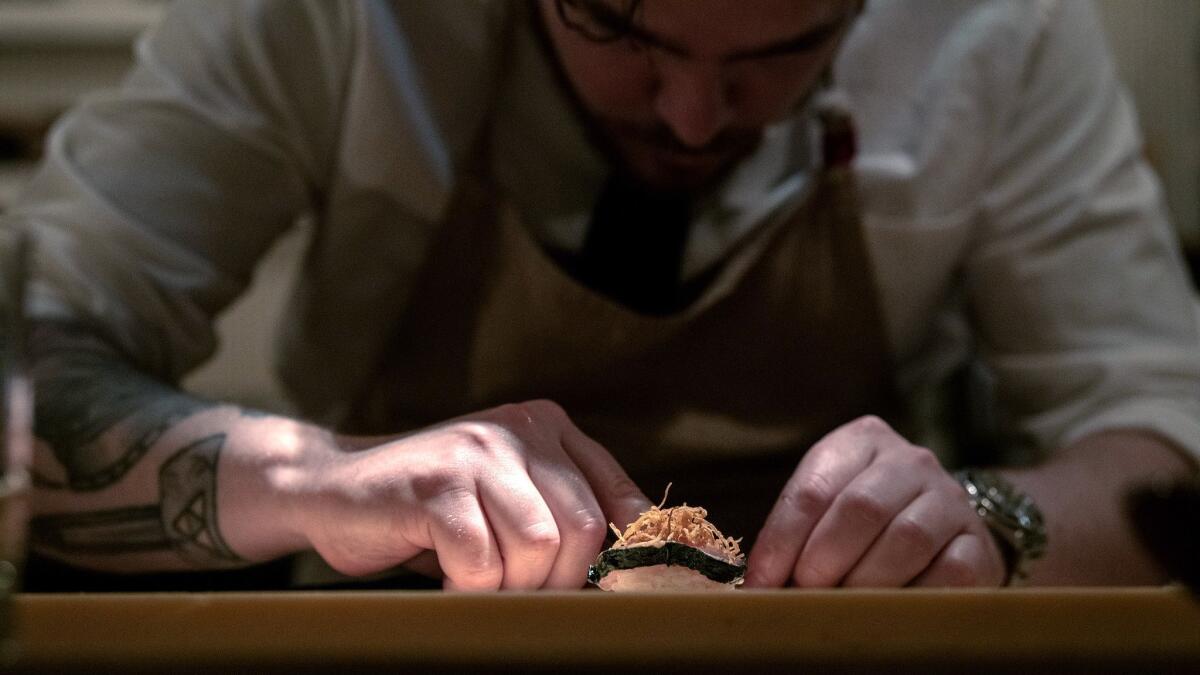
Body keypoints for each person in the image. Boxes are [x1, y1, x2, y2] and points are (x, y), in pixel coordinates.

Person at [7, 0, 1199, 591]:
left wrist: (983, 518)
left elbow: (1167, 445)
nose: (690, 119)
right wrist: (310, 476)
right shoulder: (338, 20)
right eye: (621, 28)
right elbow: (26, 351)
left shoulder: (995, 33)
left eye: (779, 51)